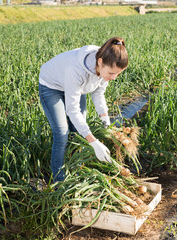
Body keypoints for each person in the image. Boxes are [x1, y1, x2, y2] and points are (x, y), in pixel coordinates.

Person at [39, 37, 128, 182]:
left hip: (76, 87)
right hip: (52, 86)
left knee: (78, 131)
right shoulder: (76, 69)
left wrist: (105, 118)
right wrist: (94, 142)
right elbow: (72, 110)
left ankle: (75, 169)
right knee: (62, 133)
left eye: (117, 74)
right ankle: (59, 180)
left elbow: (98, 93)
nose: (113, 77)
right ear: (99, 62)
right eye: (112, 73)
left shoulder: (106, 63)